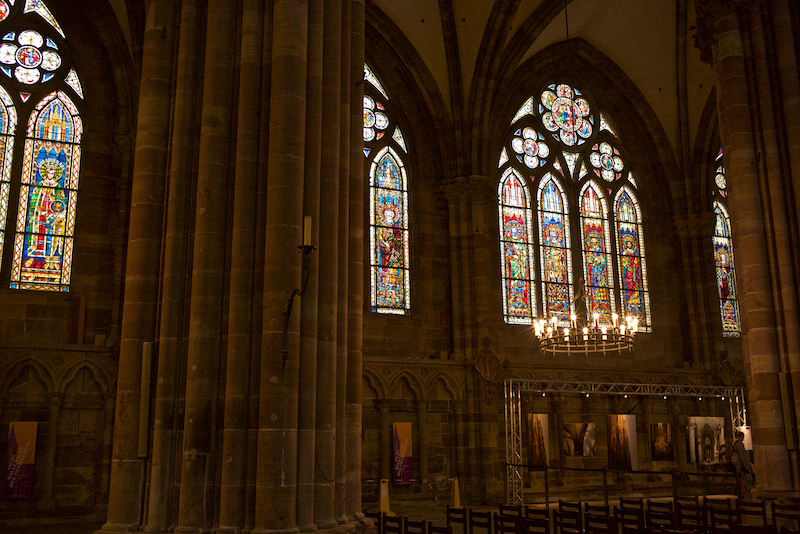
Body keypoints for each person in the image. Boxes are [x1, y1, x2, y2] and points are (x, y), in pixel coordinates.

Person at [731, 430, 753, 497]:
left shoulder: (734, 443)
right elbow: (742, 455)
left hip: (736, 462)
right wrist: (746, 464)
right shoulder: (739, 444)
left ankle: (741, 491)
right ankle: (744, 492)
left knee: (740, 477)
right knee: (747, 477)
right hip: (740, 463)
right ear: (741, 436)